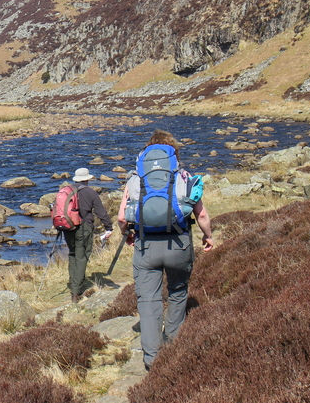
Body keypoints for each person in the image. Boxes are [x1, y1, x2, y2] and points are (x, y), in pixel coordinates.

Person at [116, 130, 214, 370]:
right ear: (174, 152)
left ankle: (151, 359)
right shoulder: (184, 176)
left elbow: (121, 218)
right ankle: (172, 345)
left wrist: (127, 234)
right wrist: (208, 236)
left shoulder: (135, 178)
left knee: (148, 301)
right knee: (178, 292)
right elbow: (201, 214)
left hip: (145, 245)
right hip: (179, 243)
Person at [64, 168, 114, 303]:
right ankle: (76, 292)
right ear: (87, 179)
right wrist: (109, 227)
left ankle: (73, 281)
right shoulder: (90, 192)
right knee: (82, 257)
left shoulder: (66, 190)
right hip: (83, 227)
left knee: (73, 254)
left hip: (67, 227)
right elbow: (101, 212)